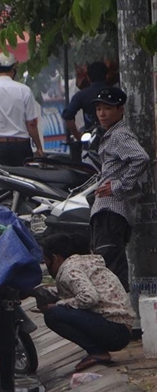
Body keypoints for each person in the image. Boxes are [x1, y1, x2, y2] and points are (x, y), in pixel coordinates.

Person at [37, 233, 133, 372]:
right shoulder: (82, 263)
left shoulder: (69, 269)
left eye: (46, 261)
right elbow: (74, 290)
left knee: (53, 315)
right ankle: (97, 351)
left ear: (55, 258)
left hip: (115, 330)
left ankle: (97, 352)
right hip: (121, 328)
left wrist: (59, 305)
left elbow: (89, 297)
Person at [89, 87, 150, 292]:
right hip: (107, 209)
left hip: (112, 210)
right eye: (98, 109)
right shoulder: (110, 134)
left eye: (107, 108)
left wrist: (119, 186)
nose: (102, 114)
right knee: (107, 265)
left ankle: (119, 317)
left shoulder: (119, 135)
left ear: (120, 110)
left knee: (111, 268)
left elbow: (141, 158)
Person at [62, 61, 108, 140]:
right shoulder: (116, 92)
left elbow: (67, 116)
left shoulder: (81, 95)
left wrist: (79, 138)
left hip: (91, 139)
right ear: (106, 76)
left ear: (88, 77)